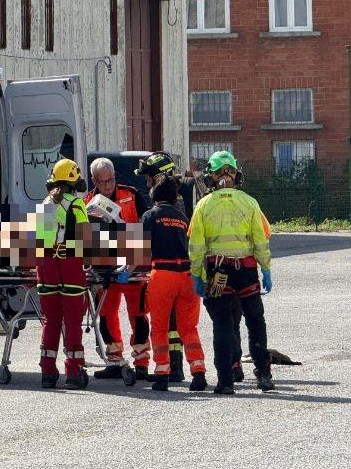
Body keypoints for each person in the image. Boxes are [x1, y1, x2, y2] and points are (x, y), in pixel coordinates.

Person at [188, 151, 274, 394]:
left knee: (223, 325)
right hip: (246, 270)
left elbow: (196, 246)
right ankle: (264, 375)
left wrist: (197, 274)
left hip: (218, 271)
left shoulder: (203, 205)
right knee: (255, 321)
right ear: (237, 174)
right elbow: (261, 240)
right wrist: (265, 268)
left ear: (210, 178)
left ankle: (225, 381)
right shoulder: (250, 203)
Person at [86, 157, 152, 380]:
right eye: (102, 182)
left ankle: (141, 362)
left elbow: (147, 224)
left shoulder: (131, 194)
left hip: (133, 264)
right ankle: (115, 361)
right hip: (104, 266)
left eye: (111, 180)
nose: (107, 186)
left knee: (139, 314)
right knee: (106, 314)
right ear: (94, 180)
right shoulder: (88, 200)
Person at [139, 173, 207, 392]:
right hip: (187, 275)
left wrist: (124, 270)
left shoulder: (150, 216)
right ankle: (198, 372)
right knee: (189, 328)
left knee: (159, 327)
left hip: (163, 275)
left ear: (153, 194)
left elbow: (137, 252)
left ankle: (162, 374)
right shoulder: (182, 218)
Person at [35, 159, 91, 389]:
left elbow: (40, 243)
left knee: (51, 321)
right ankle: (74, 372)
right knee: (73, 321)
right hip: (69, 265)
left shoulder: (44, 205)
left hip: (46, 266)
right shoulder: (77, 204)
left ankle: (47, 372)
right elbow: (84, 241)